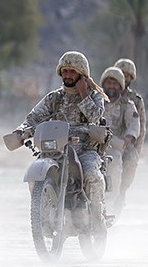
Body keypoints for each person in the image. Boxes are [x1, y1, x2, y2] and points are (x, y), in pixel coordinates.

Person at [10, 51, 110, 228]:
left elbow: (95, 117)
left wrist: (83, 92)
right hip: (56, 148)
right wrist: (22, 130)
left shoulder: (94, 96)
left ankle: (97, 218)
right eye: (65, 71)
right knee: (35, 175)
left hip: (85, 149)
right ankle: (43, 220)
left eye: (72, 71)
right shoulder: (54, 97)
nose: (68, 75)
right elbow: (34, 117)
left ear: (82, 74)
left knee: (92, 176)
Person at [100, 66, 140, 213]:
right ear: (103, 84)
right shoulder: (95, 102)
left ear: (120, 86)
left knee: (115, 162)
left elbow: (134, 124)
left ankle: (113, 198)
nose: (111, 86)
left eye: (115, 83)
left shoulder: (127, 105)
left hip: (115, 144)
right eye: (109, 83)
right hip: (94, 142)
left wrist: (129, 138)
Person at [114, 58, 146, 203]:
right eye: (122, 73)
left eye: (128, 75)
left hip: (125, 142)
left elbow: (140, 126)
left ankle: (121, 193)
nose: (125, 78)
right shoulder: (105, 93)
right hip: (104, 140)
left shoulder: (135, 100)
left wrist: (136, 150)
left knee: (131, 160)